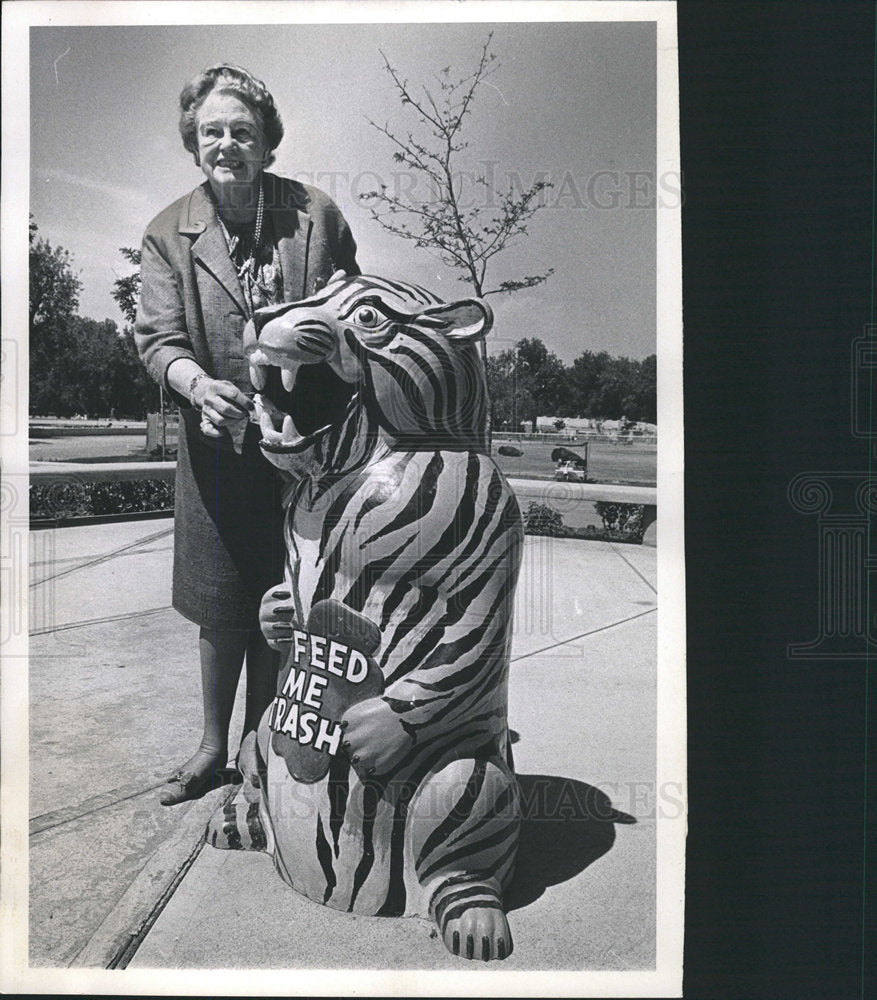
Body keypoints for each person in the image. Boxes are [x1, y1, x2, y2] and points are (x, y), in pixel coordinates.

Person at [135, 64, 359, 805]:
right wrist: (197, 387)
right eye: (211, 132)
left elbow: (353, 305)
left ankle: (261, 749)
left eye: (241, 131)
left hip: (307, 448)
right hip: (218, 445)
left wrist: (323, 348)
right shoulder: (168, 232)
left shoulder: (314, 214)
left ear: (266, 142)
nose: (226, 144)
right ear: (193, 143)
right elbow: (158, 341)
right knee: (219, 602)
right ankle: (209, 750)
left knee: (284, 601)